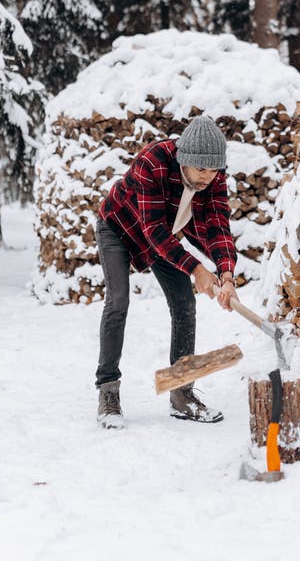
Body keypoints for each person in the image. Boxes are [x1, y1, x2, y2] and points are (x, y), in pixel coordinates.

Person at [95, 115, 238, 429]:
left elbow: (218, 226)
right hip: (121, 228)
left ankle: (181, 392)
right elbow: (153, 229)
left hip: (168, 236)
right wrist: (197, 268)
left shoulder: (214, 177)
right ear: (184, 160)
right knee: (118, 302)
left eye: (214, 170)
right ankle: (108, 392)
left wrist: (226, 274)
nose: (207, 177)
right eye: (201, 169)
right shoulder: (153, 162)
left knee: (185, 304)